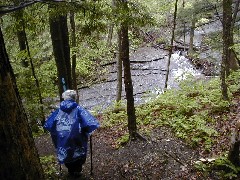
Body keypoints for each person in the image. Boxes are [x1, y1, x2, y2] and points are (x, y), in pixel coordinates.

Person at [44, 89, 100, 177]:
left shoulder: (58, 111)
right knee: (78, 152)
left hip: (62, 137)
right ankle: (77, 171)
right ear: (74, 98)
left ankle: (70, 170)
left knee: (65, 151)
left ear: (64, 98)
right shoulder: (79, 109)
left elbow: (50, 124)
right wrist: (88, 129)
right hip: (77, 137)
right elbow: (89, 122)